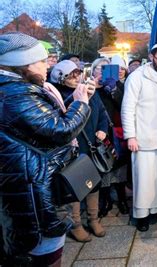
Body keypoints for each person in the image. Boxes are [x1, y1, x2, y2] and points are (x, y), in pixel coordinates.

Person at [0, 33, 91, 266]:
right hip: (31, 188)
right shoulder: (15, 93)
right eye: (42, 61)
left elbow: (41, 126)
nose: (46, 65)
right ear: (24, 64)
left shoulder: (14, 88)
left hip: (28, 181)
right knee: (46, 253)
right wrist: (80, 103)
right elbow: (60, 130)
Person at [122, 43, 157, 231]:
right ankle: (143, 215)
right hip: (144, 137)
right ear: (151, 56)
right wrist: (130, 136)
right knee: (144, 179)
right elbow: (128, 107)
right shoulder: (137, 77)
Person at [50, 60, 109, 242]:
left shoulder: (87, 89)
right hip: (72, 148)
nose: (76, 78)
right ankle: (75, 224)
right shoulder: (56, 94)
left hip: (91, 143)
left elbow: (101, 111)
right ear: (60, 76)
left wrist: (103, 128)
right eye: (71, 75)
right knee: (75, 184)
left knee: (94, 182)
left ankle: (93, 219)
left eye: (77, 73)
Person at [95, 56, 130, 217]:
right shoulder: (90, 87)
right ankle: (105, 200)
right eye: (100, 68)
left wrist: (113, 89)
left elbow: (124, 104)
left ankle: (122, 199)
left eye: (106, 68)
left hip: (116, 131)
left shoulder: (118, 85)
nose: (103, 71)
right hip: (99, 132)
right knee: (103, 166)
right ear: (94, 70)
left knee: (119, 166)